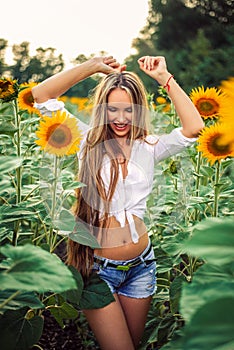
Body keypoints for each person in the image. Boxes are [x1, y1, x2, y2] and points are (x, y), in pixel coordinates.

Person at [32, 55, 204, 350]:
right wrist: (93, 66)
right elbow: (41, 97)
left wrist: (165, 78)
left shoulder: (148, 147)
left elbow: (193, 128)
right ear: (102, 109)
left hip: (142, 267)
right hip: (98, 270)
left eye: (128, 110)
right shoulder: (86, 141)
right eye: (112, 109)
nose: (121, 118)